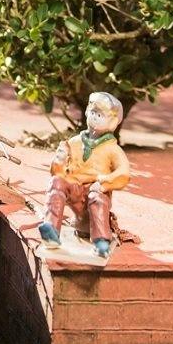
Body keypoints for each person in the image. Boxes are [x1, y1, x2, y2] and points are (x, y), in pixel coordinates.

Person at [39, 90, 132, 258]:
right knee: (57, 182)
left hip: (95, 192)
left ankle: (101, 241)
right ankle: (51, 231)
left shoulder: (112, 149)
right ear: (87, 113)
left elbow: (124, 173)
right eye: (93, 112)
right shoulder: (74, 142)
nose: (95, 117)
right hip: (75, 191)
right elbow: (59, 173)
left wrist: (104, 182)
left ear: (112, 122)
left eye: (101, 115)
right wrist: (58, 163)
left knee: (97, 196)